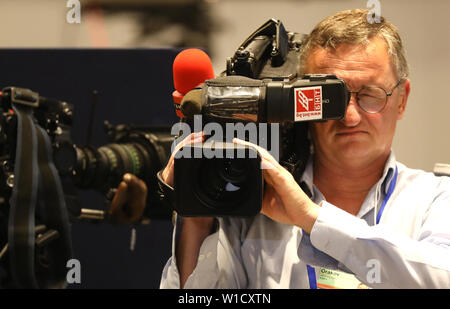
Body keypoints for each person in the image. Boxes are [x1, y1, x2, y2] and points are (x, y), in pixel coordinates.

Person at [111, 9, 450, 288]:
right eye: (329, 99)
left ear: (402, 99)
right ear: (298, 105)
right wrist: (197, 218)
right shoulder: (256, 206)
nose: (349, 114)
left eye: (369, 95)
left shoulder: (435, 198)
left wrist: (313, 219)